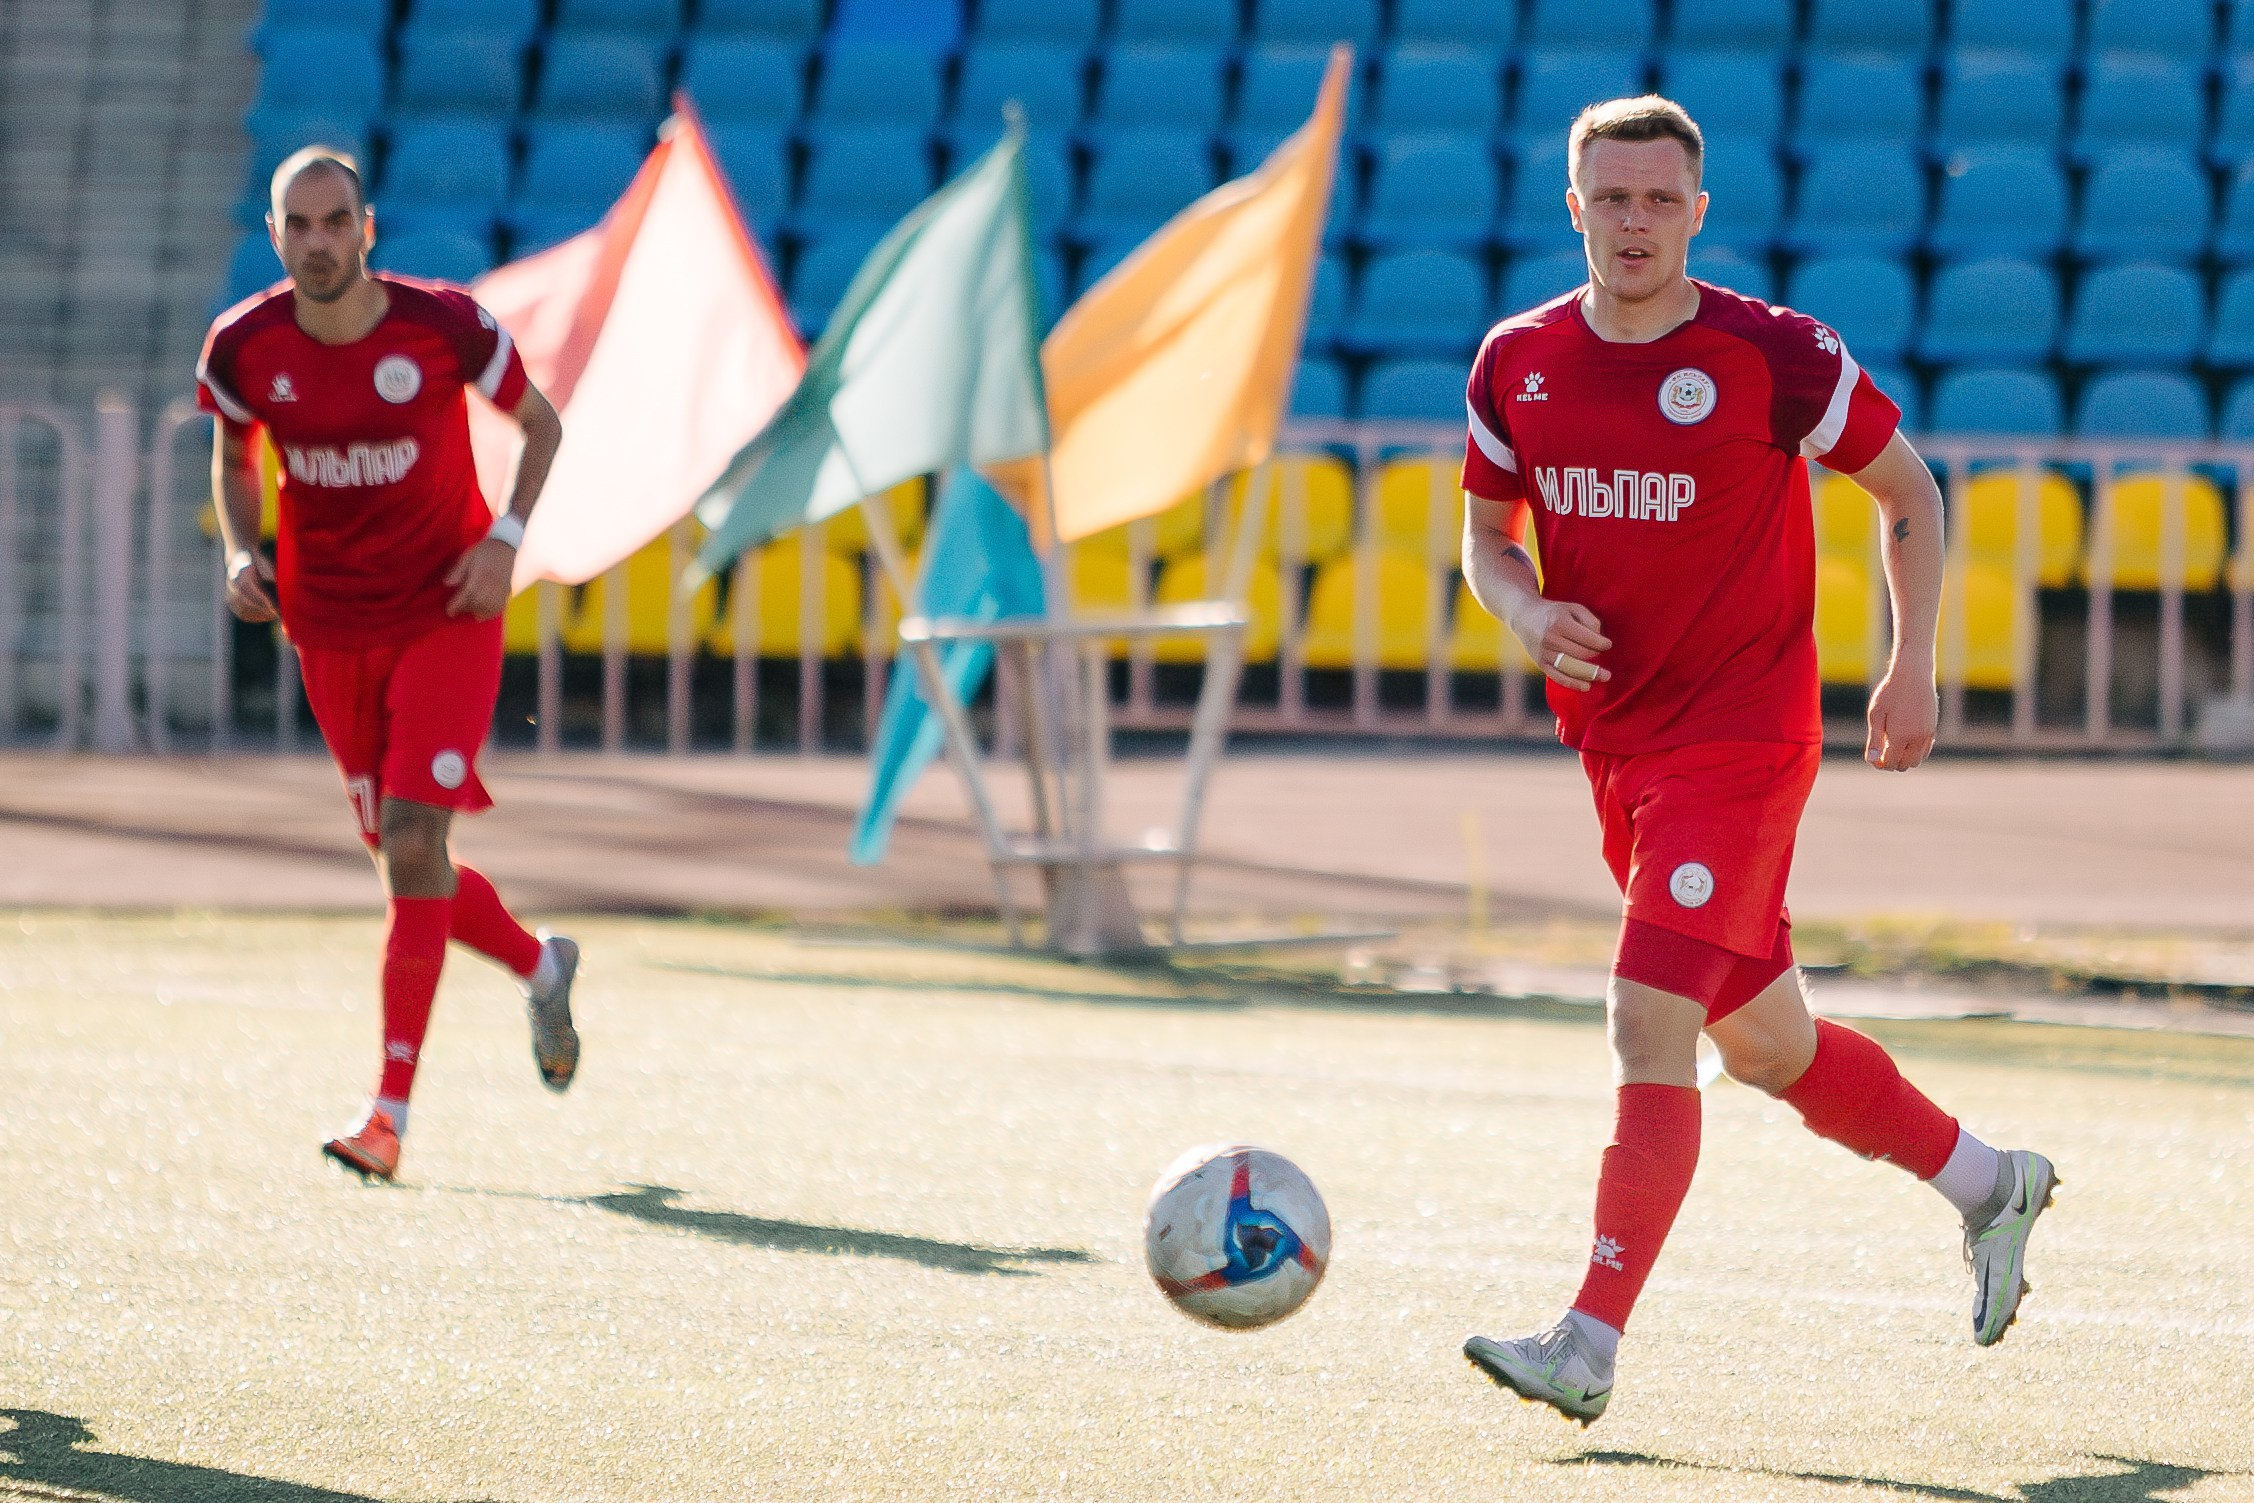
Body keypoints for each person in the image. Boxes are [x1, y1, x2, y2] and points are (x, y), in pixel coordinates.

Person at [1456, 98, 2057, 1425]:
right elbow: (1485, 537)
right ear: (1573, 207)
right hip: (1618, 749)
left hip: (1741, 742)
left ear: (1698, 212)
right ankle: (1989, 1181)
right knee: (1769, 1046)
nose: (1634, 222)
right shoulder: (1516, 360)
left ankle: (1586, 1341)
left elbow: (1908, 492)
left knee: (1645, 1020)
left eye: (1659, 200)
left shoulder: (1770, 353)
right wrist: (1521, 608)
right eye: (1611, 199)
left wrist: (1911, 664)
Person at [196, 146, 581, 1183]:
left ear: (367, 230)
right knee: (406, 861)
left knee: (413, 841)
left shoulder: (444, 325)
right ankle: (543, 965)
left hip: (448, 610)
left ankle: (387, 1116)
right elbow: (234, 456)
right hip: (329, 628)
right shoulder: (242, 346)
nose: (319, 241)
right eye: (299, 225)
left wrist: (504, 539)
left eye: (337, 222)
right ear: (274, 236)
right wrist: (240, 550)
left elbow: (540, 425)